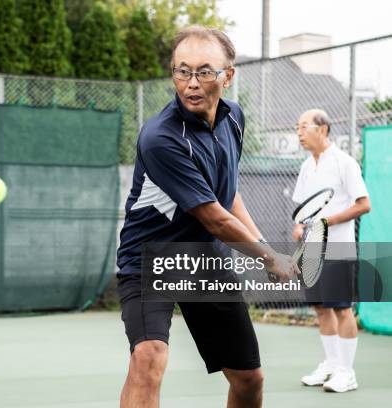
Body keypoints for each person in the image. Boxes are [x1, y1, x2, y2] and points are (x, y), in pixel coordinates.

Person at [116, 26, 297, 408]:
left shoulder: (234, 119)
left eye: (204, 71)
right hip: (150, 258)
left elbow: (228, 196)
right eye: (182, 71)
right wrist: (269, 256)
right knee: (148, 356)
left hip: (204, 260)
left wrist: (266, 246)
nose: (192, 83)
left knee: (249, 380)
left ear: (228, 75)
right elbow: (214, 217)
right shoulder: (161, 137)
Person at [293, 109, 370, 393]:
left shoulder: (345, 163)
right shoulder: (306, 166)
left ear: (322, 129)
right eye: (297, 127)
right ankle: (331, 365)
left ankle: (347, 373)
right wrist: (300, 226)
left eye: (304, 127)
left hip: (338, 247)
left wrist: (327, 222)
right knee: (321, 308)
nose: (299, 132)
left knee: (341, 308)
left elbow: (364, 204)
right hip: (312, 250)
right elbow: (302, 209)